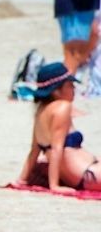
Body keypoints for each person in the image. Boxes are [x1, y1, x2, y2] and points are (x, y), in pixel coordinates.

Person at [16, 62, 100, 192]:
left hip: (81, 174)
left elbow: (35, 150)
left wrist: (22, 179)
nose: (74, 88)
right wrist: (54, 186)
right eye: (70, 85)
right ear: (56, 91)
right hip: (86, 173)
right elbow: (57, 148)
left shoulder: (40, 111)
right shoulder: (63, 108)